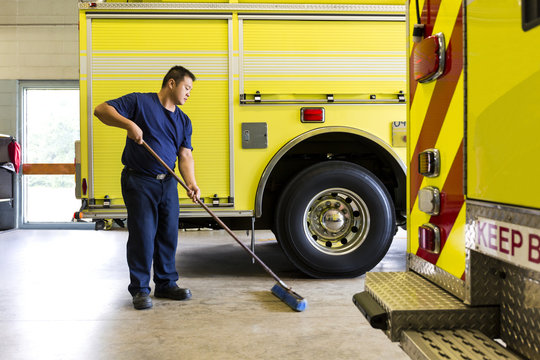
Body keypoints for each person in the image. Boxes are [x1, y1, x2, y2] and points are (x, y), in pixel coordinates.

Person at [94, 65, 200, 310]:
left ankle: (166, 284)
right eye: (187, 87)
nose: (189, 94)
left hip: (168, 182)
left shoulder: (183, 120)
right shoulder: (139, 102)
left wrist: (191, 183)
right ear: (171, 83)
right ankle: (140, 290)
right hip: (139, 180)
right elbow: (101, 110)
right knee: (143, 234)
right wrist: (128, 125)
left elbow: (185, 155)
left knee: (168, 234)